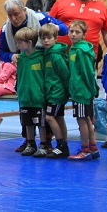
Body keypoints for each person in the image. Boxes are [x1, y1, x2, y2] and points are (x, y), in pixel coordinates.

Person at [66, 20, 98, 160]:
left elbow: (87, 72)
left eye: (77, 32)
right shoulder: (74, 49)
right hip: (79, 90)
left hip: (82, 91)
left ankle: (85, 149)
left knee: (82, 120)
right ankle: (93, 147)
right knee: (87, 119)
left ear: (84, 35)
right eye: (71, 31)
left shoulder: (81, 50)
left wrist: (91, 89)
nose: (73, 34)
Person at [40, 23, 70, 158]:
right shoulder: (47, 53)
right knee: (59, 117)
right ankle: (64, 145)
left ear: (56, 38)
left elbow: (65, 74)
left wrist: (67, 91)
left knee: (49, 117)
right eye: (43, 38)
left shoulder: (56, 56)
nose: (46, 41)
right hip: (52, 92)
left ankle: (61, 145)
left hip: (57, 93)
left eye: (49, 38)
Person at [14, 27, 44, 157]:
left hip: (38, 97)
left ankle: (43, 144)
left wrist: (43, 92)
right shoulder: (20, 58)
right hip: (24, 96)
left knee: (40, 123)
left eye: (20, 43)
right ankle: (30, 143)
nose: (18, 46)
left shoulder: (40, 57)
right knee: (27, 122)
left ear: (30, 42)